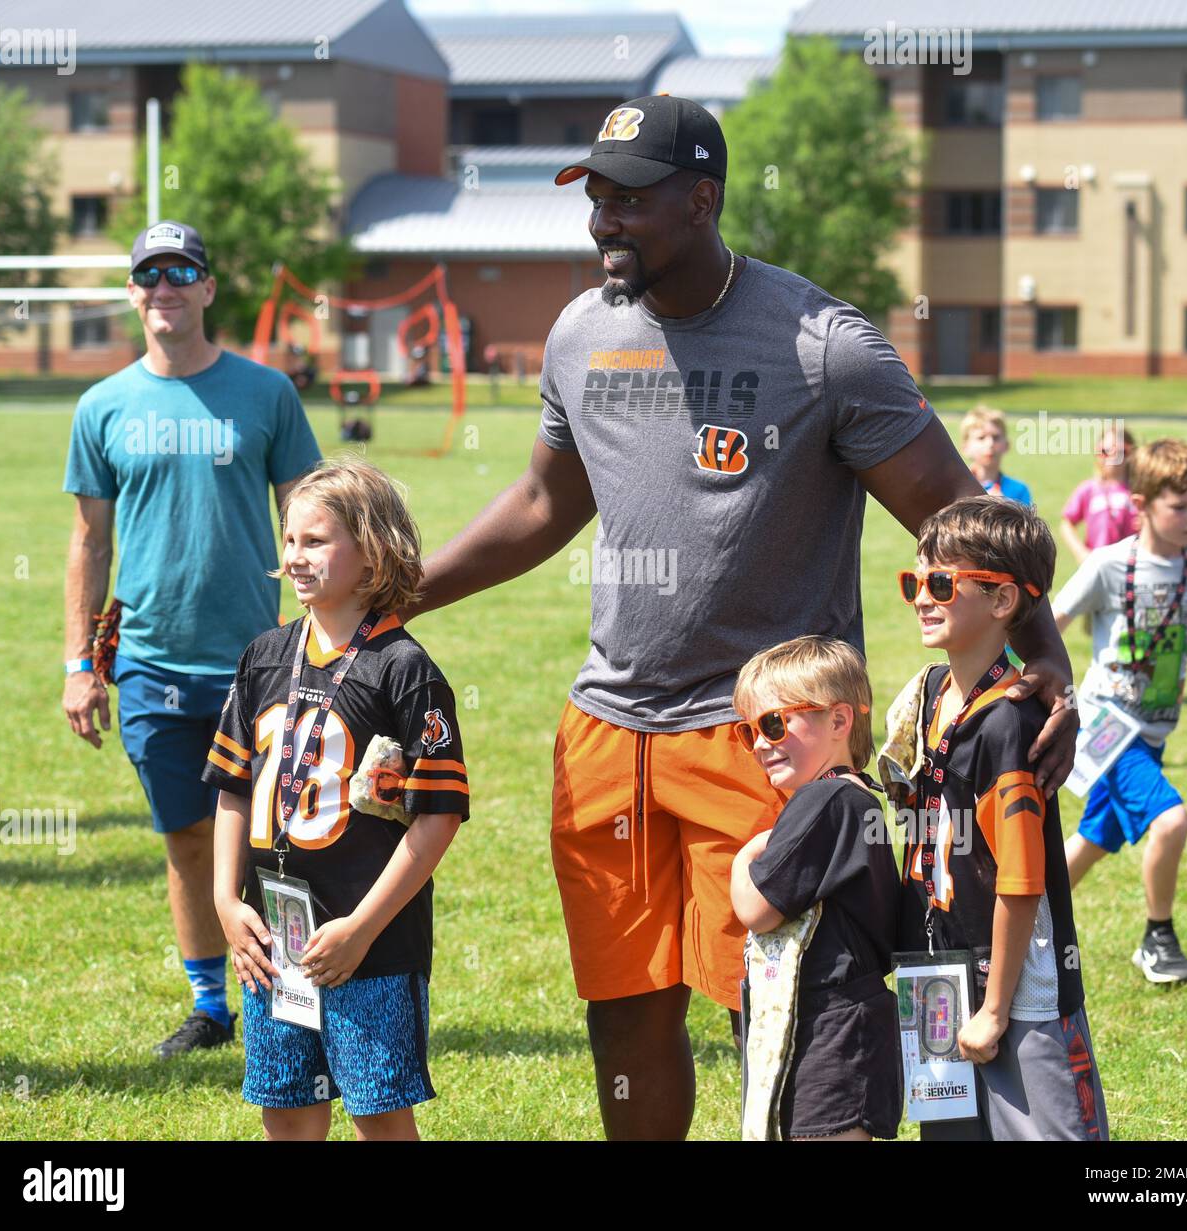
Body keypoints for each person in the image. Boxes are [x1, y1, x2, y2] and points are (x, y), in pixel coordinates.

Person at [407, 95, 1078, 1140]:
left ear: (703, 198)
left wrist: (1045, 668)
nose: (603, 223)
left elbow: (957, 517)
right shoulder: (582, 332)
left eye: (630, 200)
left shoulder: (823, 346)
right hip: (608, 733)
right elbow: (546, 502)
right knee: (624, 1010)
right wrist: (403, 592)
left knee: (783, 1005)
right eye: (595, 197)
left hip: (767, 738)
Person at [62, 221, 322, 1057]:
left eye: (182, 271)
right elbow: (89, 543)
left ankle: (291, 990)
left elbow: (310, 516)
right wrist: (80, 664)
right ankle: (211, 1005)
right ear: (133, 294)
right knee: (186, 835)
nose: (165, 286)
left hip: (261, 661)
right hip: (149, 664)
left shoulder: (267, 393)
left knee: (275, 833)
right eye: (149, 275)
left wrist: (327, 630)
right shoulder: (101, 406)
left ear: (208, 289)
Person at [206, 457, 468, 1141]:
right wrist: (226, 903)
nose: (296, 557)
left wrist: (363, 927)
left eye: (316, 541)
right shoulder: (264, 655)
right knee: (286, 1111)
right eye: (290, 540)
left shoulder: (405, 671)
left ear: (374, 550)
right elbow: (233, 790)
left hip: (368, 942)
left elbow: (438, 819)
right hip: (272, 938)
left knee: (379, 1113)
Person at [895, 495, 1108, 1140]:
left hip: (1015, 990)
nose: (922, 598)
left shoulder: (1010, 724)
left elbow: (1021, 882)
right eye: (915, 582)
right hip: (938, 966)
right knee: (951, 1132)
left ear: (1003, 601)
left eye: (940, 583)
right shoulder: (930, 692)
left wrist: (992, 1010)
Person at [1052, 439, 1187, 983]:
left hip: (1153, 732)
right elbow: (1050, 623)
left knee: (1094, 839)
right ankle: (1158, 938)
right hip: (1105, 725)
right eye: (1180, 506)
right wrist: (1036, 686)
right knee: (1171, 820)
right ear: (1142, 503)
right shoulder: (1109, 565)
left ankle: (1017, 916)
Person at [729, 636, 902, 1141]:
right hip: (848, 1025)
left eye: (774, 723)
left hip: (832, 1030)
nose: (761, 742)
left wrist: (745, 857)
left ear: (839, 721)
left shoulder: (825, 801)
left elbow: (756, 909)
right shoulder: (854, 798)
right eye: (748, 730)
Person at [1060, 425, 1137, 564]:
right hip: (1098, 565)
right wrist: (1080, 552)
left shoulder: (1140, 489)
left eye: (1120, 451)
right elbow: (1067, 523)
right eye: (1105, 451)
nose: (1113, 457)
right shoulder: (1089, 489)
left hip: (1133, 564)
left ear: (1131, 453)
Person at [961, 406, 1033, 506]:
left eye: (996, 437)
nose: (990, 443)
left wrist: (1005, 507)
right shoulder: (956, 486)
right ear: (965, 447)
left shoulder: (1018, 490)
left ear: (1007, 445)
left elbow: (1025, 521)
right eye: (981, 438)